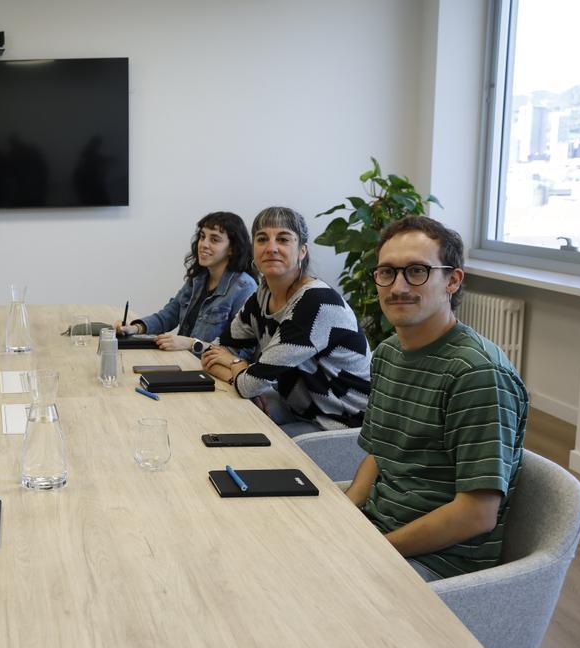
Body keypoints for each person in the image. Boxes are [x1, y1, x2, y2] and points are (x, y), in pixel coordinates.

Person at [345, 216, 527, 581]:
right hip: (378, 532)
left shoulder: (476, 374)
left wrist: (376, 550)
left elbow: (476, 513)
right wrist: (343, 515)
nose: (398, 286)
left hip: (438, 562)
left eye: (416, 271)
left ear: (452, 281)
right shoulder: (387, 353)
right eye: (387, 272)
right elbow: (381, 454)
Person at [201, 206, 370, 436]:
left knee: (243, 444)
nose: (271, 248)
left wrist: (240, 369)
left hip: (342, 427)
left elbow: (250, 384)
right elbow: (215, 352)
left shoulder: (317, 302)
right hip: (298, 409)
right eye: (262, 239)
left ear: (302, 251)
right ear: (253, 250)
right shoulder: (262, 295)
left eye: (283, 239)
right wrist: (244, 374)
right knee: (215, 420)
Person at [114, 211, 257, 349]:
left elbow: (241, 350)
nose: (204, 244)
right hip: (184, 360)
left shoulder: (245, 288)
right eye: (202, 237)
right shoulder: (198, 278)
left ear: (232, 249)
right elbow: (169, 315)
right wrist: (136, 328)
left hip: (210, 370)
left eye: (214, 239)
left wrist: (191, 344)